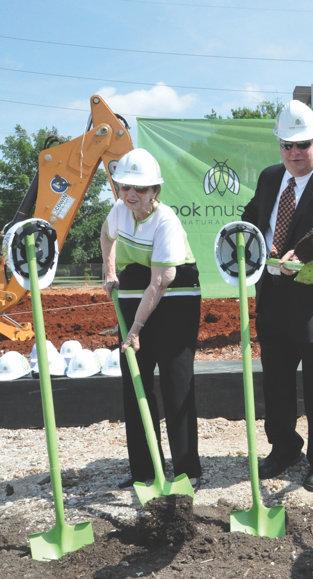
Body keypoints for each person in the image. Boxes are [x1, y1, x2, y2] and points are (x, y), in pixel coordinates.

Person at [241, 100, 313, 492]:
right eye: (288, 145)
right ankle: (284, 448)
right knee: (276, 383)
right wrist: (248, 246)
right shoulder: (269, 179)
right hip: (275, 302)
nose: (295, 152)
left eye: (303, 144)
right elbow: (252, 221)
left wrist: (300, 255)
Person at [100, 147, 202, 489]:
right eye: (125, 186)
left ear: (154, 191)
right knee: (135, 382)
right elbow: (106, 234)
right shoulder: (118, 210)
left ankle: (188, 471)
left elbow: (160, 282)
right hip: (135, 288)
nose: (130, 193)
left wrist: (136, 328)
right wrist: (109, 269)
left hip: (176, 293)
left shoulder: (166, 222)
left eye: (140, 189)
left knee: (176, 382)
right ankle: (144, 472)